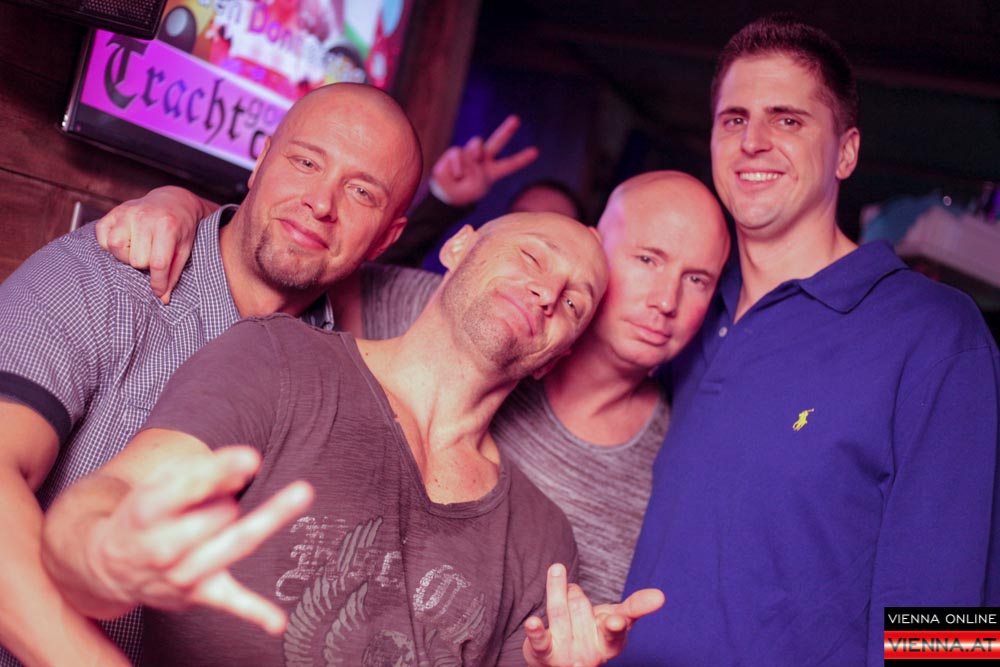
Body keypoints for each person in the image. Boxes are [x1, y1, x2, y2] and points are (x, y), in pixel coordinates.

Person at [41, 212, 665, 666]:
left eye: (575, 304)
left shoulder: (541, 538)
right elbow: (108, 500)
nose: (547, 292)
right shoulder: (279, 360)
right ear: (459, 246)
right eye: (531, 257)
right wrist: (101, 554)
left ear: (554, 360)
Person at [98, 170, 731, 608]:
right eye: (647, 259)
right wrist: (181, 203)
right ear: (597, 244)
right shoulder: (454, 309)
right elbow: (297, 246)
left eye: (698, 280)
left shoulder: (670, 462)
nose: (666, 300)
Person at [616, 15, 1000, 667]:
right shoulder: (685, 309)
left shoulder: (935, 333)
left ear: (846, 152)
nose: (753, 142)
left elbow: (951, 619)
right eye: (734, 119)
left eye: (788, 120)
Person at [0, 82, 422, 667]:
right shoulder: (104, 278)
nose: (321, 202)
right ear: (260, 162)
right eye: (305, 162)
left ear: (387, 237)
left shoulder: (349, 374)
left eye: (361, 192)